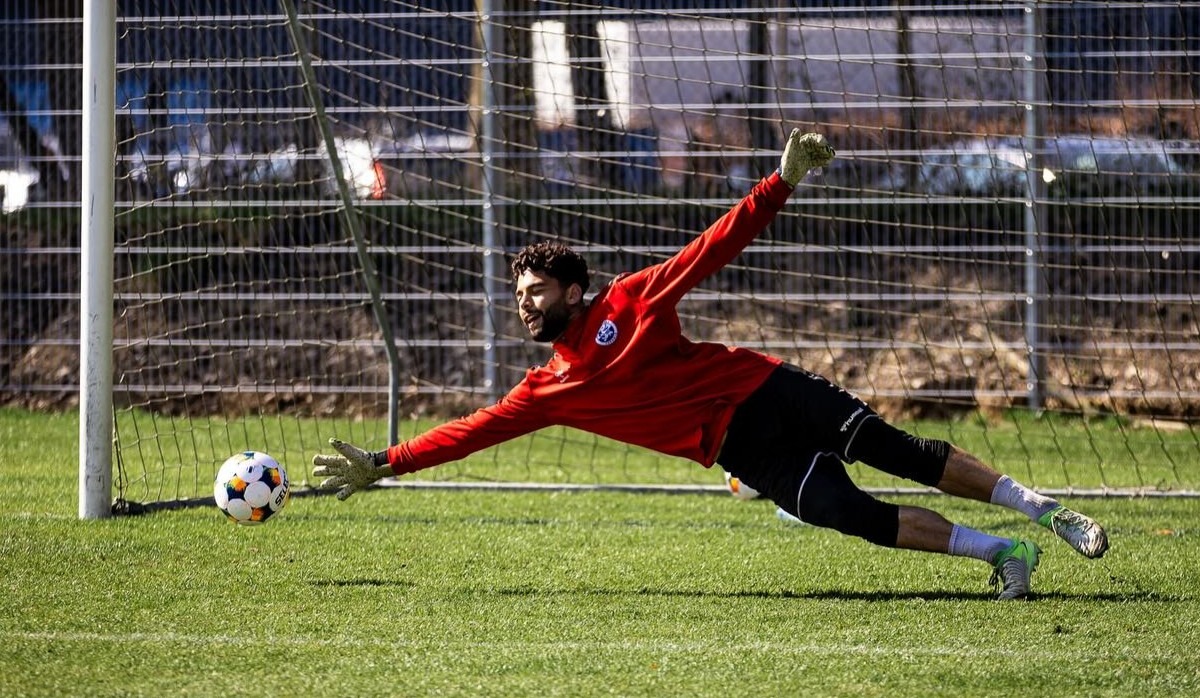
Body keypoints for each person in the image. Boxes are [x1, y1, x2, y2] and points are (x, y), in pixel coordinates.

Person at [313, 129, 1109, 600]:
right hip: (744, 450)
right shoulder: (546, 390)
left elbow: (709, 248)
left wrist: (781, 181)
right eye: (517, 295)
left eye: (534, 292)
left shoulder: (630, 301)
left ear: (574, 290)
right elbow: (468, 432)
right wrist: (385, 461)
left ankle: (1044, 511)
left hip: (766, 390)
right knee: (851, 514)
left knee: (900, 453)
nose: (523, 305)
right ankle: (1005, 555)